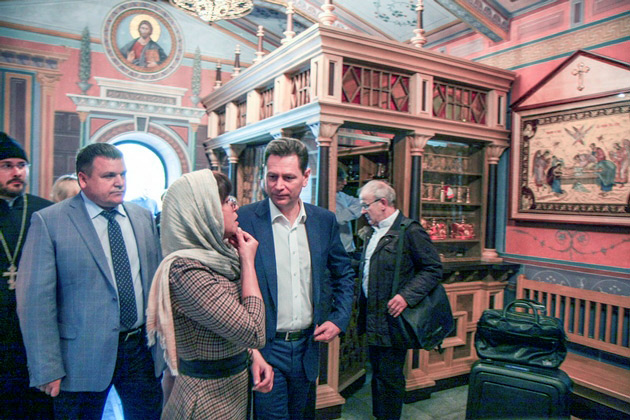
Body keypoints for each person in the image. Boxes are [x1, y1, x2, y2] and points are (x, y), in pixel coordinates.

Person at [16, 143, 163, 419]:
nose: (120, 182)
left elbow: (154, 283)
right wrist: (46, 367)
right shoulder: (50, 222)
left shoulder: (141, 217)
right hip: (80, 357)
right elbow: (35, 303)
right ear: (83, 179)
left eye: (123, 174)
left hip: (139, 351)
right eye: (109, 176)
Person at [237, 137, 355, 420]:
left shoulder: (323, 221)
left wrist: (339, 318)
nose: (279, 185)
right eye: (272, 177)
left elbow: (344, 273)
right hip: (265, 348)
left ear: (305, 177)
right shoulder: (246, 219)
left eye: (288, 177)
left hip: (307, 346)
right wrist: (250, 349)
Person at [146, 170, 272, 418]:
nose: (235, 206)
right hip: (205, 398)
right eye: (225, 201)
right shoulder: (186, 271)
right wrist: (248, 261)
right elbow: (254, 332)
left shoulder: (220, 255)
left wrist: (252, 355)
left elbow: (229, 325)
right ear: (202, 212)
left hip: (231, 385)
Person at [358, 180, 442, 420]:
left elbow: (433, 269)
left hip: (392, 320)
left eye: (366, 205)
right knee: (377, 374)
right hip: (374, 316)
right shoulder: (373, 232)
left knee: (390, 377)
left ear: (383, 203)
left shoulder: (410, 230)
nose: (363, 211)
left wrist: (406, 296)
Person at [0, 132, 54, 419]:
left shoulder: (45, 211)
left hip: (33, 333)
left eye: (22, 165)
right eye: (7, 165)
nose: (17, 172)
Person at [335, 166, 362, 256]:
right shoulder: (323, 197)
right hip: (336, 251)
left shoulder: (341, 195)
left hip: (348, 249)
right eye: (341, 179)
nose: (345, 183)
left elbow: (360, 202)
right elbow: (339, 218)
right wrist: (349, 213)